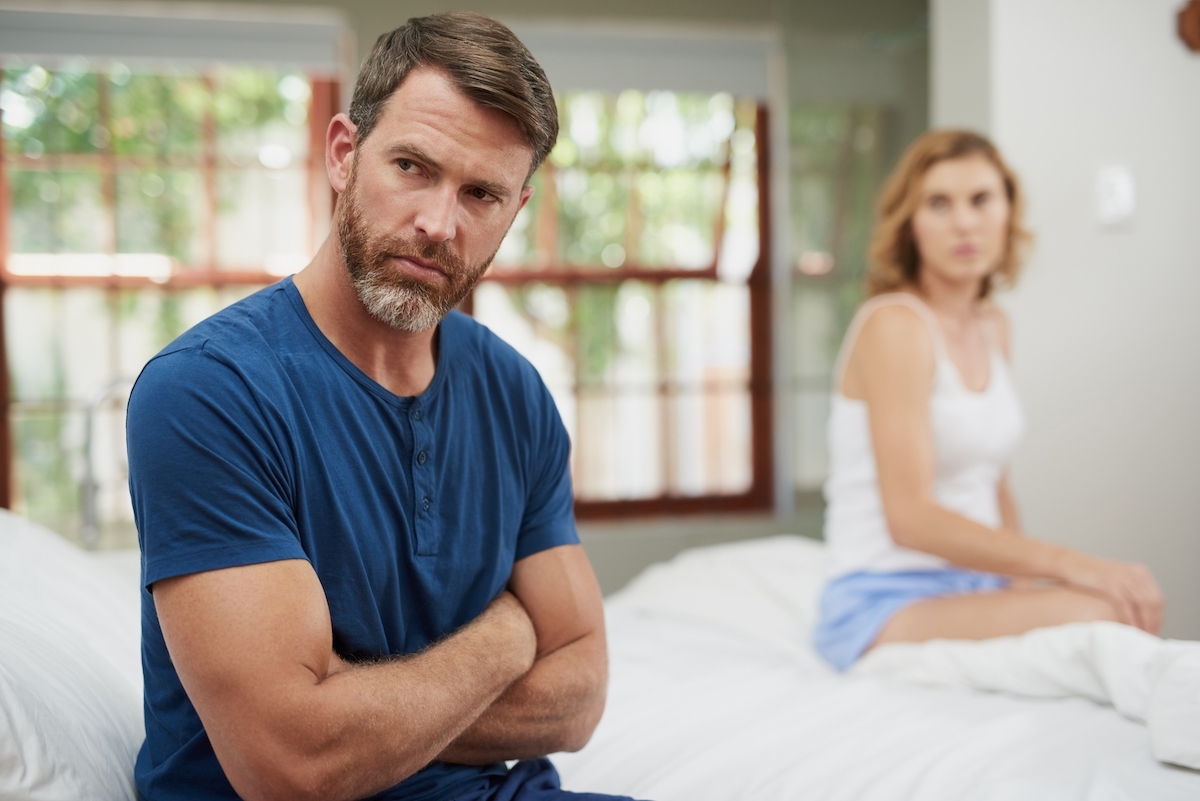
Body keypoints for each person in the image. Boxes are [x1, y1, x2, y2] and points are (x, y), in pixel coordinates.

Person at [127, 13, 643, 801]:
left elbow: (580, 697)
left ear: (517, 208)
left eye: (481, 194)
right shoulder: (209, 392)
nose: (439, 224)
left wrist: (353, 707)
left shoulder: (513, 393)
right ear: (344, 153)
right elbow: (295, 761)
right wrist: (509, 634)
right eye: (412, 166)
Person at [811, 129, 1166, 673]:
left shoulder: (994, 326)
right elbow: (911, 519)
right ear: (910, 225)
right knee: (1101, 610)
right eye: (939, 204)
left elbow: (994, 481)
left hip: (974, 582)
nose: (964, 223)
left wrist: (1022, 586)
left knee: (1119, 608)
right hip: (885, 597)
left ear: (1007, 212)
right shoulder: (896, 326)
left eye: (981, 200)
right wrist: (1073, 566)